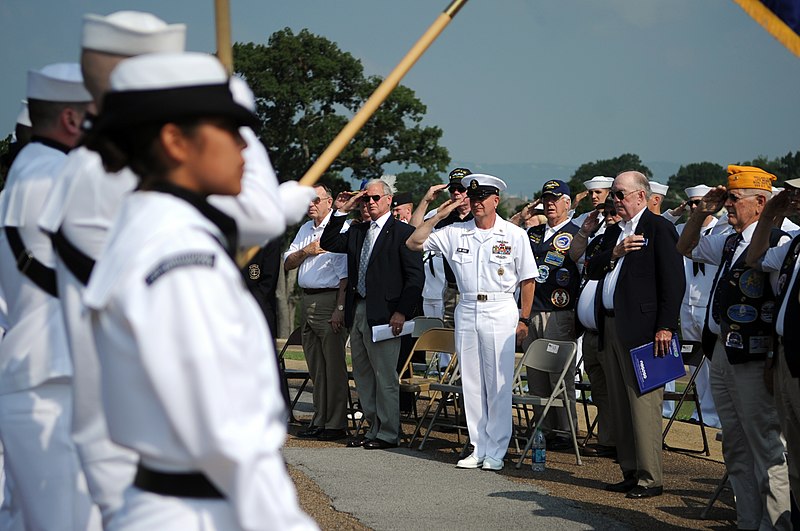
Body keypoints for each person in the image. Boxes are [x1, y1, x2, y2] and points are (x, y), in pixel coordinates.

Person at [82, 51, 316, 530]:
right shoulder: (182, 261)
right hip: (203, 513)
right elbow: (231, 439)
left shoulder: (147, 229)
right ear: (174, 141)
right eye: (229, 130)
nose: (244, 148)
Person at [0, 62, 100, 529]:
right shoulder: (59, 175)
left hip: (37, 369)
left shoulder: (28, 171)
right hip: (57, 379)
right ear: (71, 120)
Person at [677, 165, 790, 530]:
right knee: (736, 446)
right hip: (723, 351)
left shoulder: (779, 241)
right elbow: (686, 246)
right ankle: (748, 520)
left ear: (760, 203)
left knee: (765, 445)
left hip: (756, 358)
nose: (728, 205)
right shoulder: (729, 239)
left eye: (734, 199)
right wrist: (701, 212)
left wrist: (773, 359)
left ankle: (775, 525)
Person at [407, 174, 537, 471]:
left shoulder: (514, 234)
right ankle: (478, 446)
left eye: (483, 198)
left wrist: (524, 318)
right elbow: (414, 242)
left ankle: (497, 448)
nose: (477, 203)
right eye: (473, 198)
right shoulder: (454, 231)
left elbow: (529, 280)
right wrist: (441, 212)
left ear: (496, 200)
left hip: (501, 306)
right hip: (466, 306)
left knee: (498, 383)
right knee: (472, 382)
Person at [586, 170, 685, 499]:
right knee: (619, 404)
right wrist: (615, 252)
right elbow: (591, 266)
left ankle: (650, 477)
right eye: (614, 194)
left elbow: (673, 282)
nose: (615, 200)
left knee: (643, 406)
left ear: (641, 197)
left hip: (644, 331)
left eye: (620, 194)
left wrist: (666, 326)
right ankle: (629, 469)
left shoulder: (659, 228)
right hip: (611, 326)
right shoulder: (615, 231)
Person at [320, 179, 424, 450]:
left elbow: (414, 278)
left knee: (385, 375)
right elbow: (329, 240)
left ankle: (389, 432)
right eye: (366, 199)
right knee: (364, 375)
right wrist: (342, 210)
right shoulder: (358, 231)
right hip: (359, 309)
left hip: (388, 314)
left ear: (389, 200)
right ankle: (373, 427)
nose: (370, 203)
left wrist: (402, 311)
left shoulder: (403, 232)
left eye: (376, 198)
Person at [746, 181, 800, 525]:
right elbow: (755, 259)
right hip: (784, 353)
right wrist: (768, 216)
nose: (794, 199)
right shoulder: (795, 243)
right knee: (793, 454)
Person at [284, 184, 349, 442]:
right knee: (316, 367)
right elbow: (288, 262)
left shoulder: (339, 228)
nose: (310, 205)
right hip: (307, 299)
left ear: (329, 202)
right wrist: (306, 251)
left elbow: (345, 275)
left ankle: (335, 423)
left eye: (315, 200)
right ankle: (320, 418)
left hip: (328, 299)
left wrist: (339, 308)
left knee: (333, 365)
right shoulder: (305, 229)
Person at [522, 179, 580, 450]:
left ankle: (566, 430)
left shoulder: (577, 232)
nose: (550, 204)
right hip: (532, 310)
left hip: (560, 311)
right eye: (546, 199)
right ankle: (542, 426)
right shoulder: (533, 233)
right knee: (535, 374)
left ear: (567, 203)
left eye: (555, 199)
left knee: (559, 374)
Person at [660, 185, 721, 427]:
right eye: (692, 204)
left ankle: (714, 413)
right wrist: (676, 212)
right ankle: (701, 411)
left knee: (712, 362)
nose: (695, 208)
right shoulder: (682, 229)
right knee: (694, 361)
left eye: (699, 203)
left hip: (709, 302)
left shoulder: (722, 228)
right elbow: (660, 227)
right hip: (687, 303)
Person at [569, 197, 620, 458]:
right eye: (605, 212)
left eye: (613, 211)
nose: (609, 215)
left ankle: (620, 443)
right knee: (599, 388)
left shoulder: (624, 238)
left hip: (610, 327)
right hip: (590, 329)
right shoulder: (600, 238)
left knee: (615, 388)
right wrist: (585, 231)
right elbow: (573, 254)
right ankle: (608, 440)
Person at [410, 167, 473, 328]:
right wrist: (426, 201)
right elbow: (412, 233)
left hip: (474, 286)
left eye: (461, 189)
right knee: (449, 333)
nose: (456, 193)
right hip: (452, 287)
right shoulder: (443, 215)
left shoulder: (479, 215)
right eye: (453, 190)